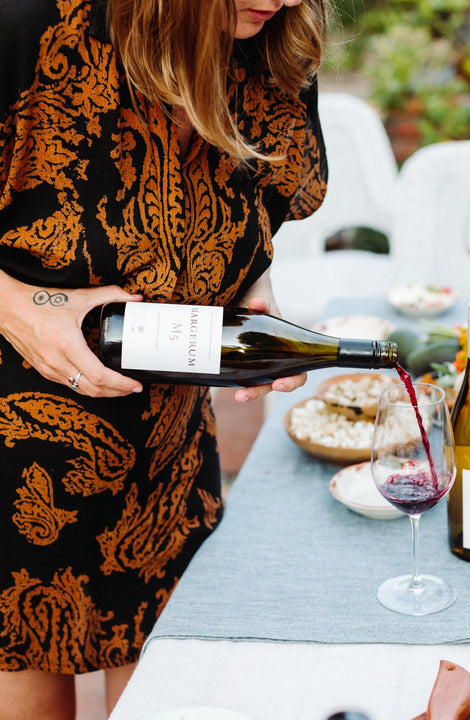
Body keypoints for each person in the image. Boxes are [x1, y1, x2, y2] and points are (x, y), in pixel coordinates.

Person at [0, 0, 328, 716]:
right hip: (13, 477)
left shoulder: (272, 46)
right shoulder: (27, 24)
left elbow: (246, 212)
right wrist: (18, 306)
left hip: (167, 466)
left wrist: (251, 282)